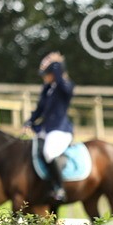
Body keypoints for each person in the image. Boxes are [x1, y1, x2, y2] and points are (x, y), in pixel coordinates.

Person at [25, 52, 75, 202]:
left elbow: (61, 80)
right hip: (45, 129)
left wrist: (56, 63)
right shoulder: (48, 89)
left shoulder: (65, 87)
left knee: (49, 153)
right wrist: (29, 122)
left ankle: (59, 188)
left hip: (60, 130)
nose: (43, 77)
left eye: (46, 73)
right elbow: (40, 109)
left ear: (54, 73)